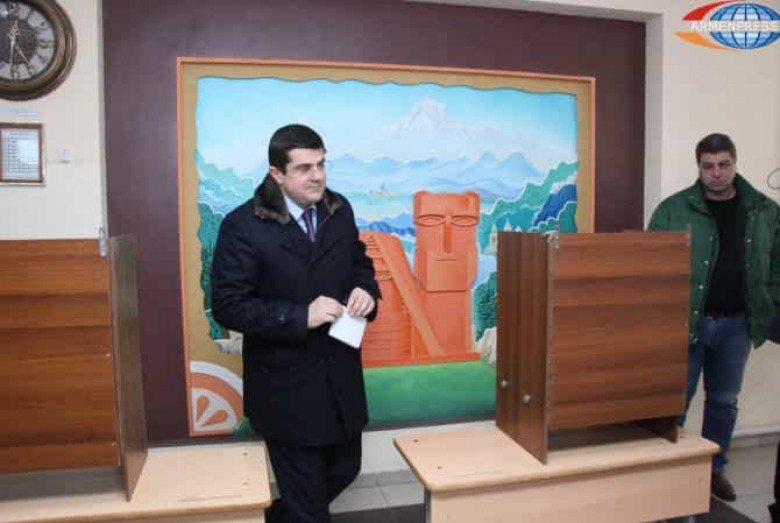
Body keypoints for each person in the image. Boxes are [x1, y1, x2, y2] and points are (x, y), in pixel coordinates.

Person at [211, 124, 380, 523]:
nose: (317, 176)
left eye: (321, 164)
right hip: (284, 389)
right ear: (277, 173)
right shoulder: (242, 226)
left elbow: (360, 262)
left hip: (340, 381)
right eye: (304, 168)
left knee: (346, 469)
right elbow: (228, 306)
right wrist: (302, 315)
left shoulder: (339, 210)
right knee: (309, 510)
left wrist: (366, 290)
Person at [649, 133, 780, 502]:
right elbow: (650, 263)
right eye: (708, 166)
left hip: (738, 325)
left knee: (723, 401)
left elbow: (777, 265)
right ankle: (667, 473)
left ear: (735, 163)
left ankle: (713, 469)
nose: (717, 173)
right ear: (699, 168)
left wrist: (770, 303)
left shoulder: (764, 211)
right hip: (686, 324)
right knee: (675, 402)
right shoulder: (673, 210)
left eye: (724, 164)